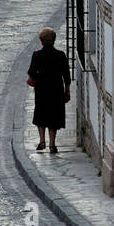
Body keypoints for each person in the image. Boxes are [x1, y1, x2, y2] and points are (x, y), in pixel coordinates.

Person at [27, 26, 70, 155]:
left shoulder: (37, 55)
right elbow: (66, 75)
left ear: (41, 41)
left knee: (41, 114)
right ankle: (52, 144)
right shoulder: (61, 55)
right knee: (54, 116)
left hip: (42, 89)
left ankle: (42, 142)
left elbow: (31, 72)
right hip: (56, 89)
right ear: (54, 40)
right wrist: (67, 90)